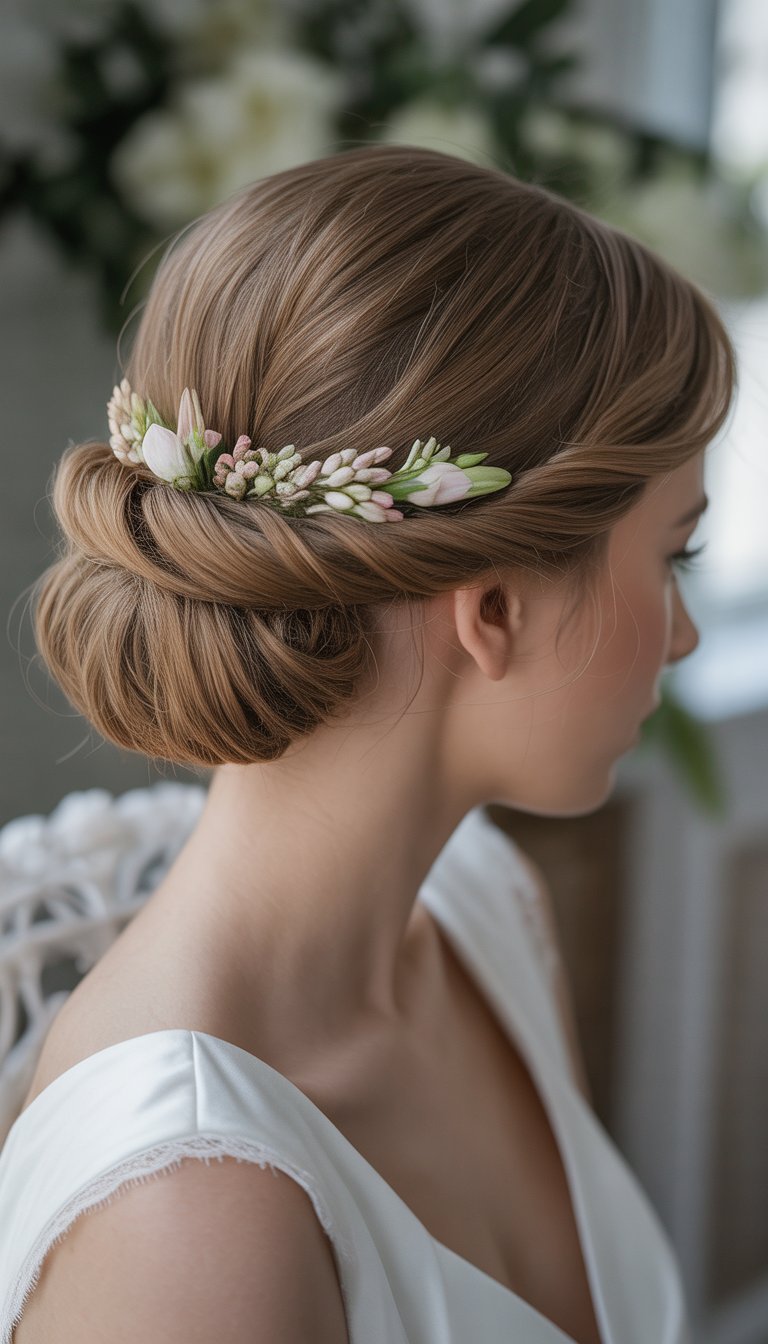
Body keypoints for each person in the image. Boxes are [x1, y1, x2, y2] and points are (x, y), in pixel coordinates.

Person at [0, 143, 735, 1344]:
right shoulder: (190, 1218)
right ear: (494, 610)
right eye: (672, 556)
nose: (686, 634)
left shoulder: (492, 911)